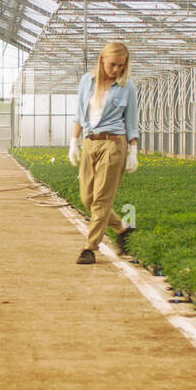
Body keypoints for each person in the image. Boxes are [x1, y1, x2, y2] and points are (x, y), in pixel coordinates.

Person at [67, 41, 139, 264]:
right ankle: (122, 228)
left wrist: (133, 150)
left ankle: (90, 247)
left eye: (121, 65)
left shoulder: (128, 87)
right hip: (90, 142)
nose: (116, 69)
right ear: (102, 60)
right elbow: (80, 114)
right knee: (87, 198)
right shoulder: (86, 82)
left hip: (114, 144)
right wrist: (73, 142)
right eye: (113, 64)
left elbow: (131, 121)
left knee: (101, 199)